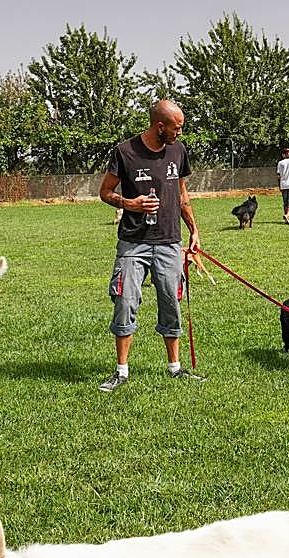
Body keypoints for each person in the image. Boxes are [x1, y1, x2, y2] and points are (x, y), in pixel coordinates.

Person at [97, 99, 203, 392]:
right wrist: (129, 203)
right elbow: (105, 192)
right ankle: (121, 372)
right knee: (125, 301)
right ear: (160, 126)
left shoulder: (178, 151)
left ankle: (175, 368)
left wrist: (193, 230)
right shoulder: (125, 151)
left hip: (169, 242)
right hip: (133, 244)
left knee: (171, 302)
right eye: (176, 128)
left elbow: (182, 194)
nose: (180, 133)